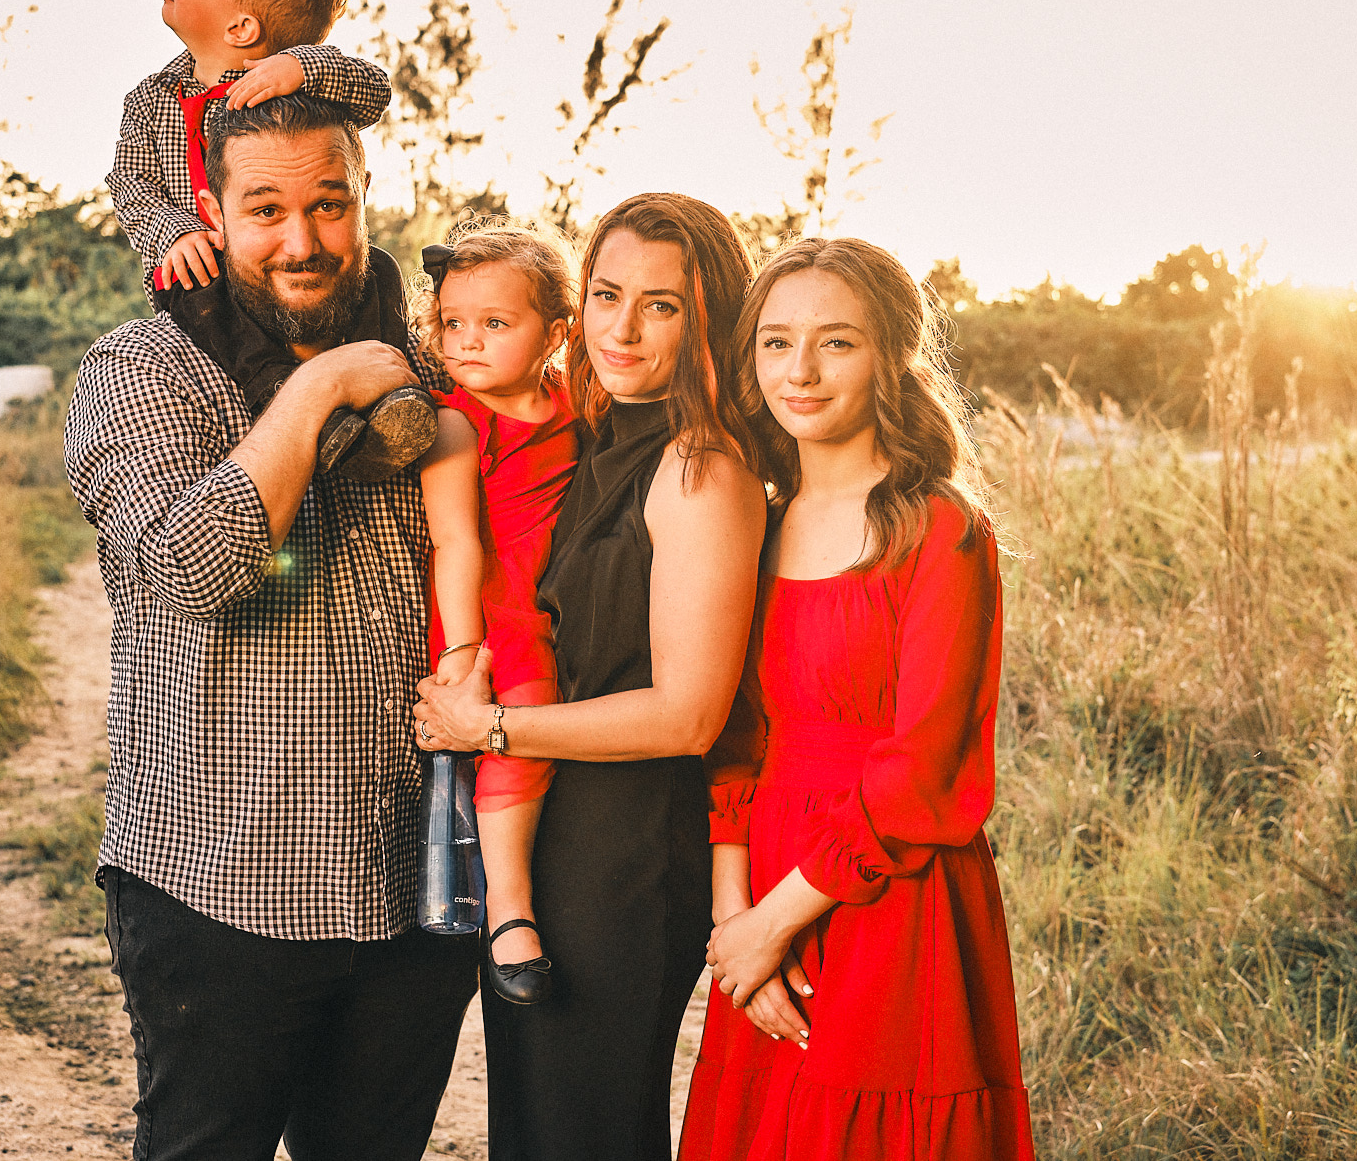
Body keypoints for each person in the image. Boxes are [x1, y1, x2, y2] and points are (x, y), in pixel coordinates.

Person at [65, 93, 474, 1161]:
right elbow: (194, 570)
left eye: (329, 205)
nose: (303, 241)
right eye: (266, 210)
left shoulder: (425, 373)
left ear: (365, 200)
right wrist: (319, 390)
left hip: (408, 886)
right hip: (219, 885)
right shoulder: (140, 372)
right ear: (210, 213)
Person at [413, 193, 769, 1161]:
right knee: (535, 1122)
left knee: (587, 1128)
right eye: (606, 293)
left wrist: (488, 729)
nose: (620, 326)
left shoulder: (700, 469)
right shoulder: (594, 436)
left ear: (707, 319)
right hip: (554, 832)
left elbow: (688, 715)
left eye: (659, 305)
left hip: (628, 853)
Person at [676, 237, 1035, 1161]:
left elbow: (921, 771)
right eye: (776, 342)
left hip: (889, 899)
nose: (801, 370)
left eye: (836, 343)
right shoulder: (753, 516)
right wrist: (733, 929)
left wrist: (775, 919)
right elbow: (733, 741)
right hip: (767, 884)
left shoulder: (940, 527)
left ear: (891, 356)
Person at [106, 0, 429, 480]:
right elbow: (130, 184)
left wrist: (299, 65)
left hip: (306, 291)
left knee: (376, 270)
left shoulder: (303, 82)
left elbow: (375, 89)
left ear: (241, 29)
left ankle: (391, 394)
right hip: (204, 269)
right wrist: (174, 232)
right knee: (210, 310)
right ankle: (298, 404)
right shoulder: (151, 100)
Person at [409, 221, 580, 1001]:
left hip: (555, 589)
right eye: (452, 323)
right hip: (489, 605)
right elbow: (454, 540)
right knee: (527, 702)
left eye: (495, 324)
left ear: (555, 334)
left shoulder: (574, 404)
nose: (466, 342)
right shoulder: (454, 420)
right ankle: (509, 909)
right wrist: (464, 653)